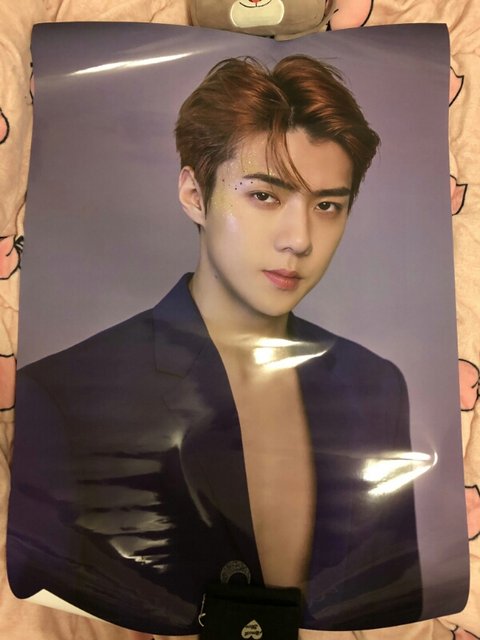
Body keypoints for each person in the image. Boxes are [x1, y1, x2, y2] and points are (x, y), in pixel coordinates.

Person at [7, 55, 422, 634]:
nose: (300, 239)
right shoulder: (65, 394)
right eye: (265, 196)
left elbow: (388, 603)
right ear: (194, 194)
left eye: (327, 205)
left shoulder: (375, 385)